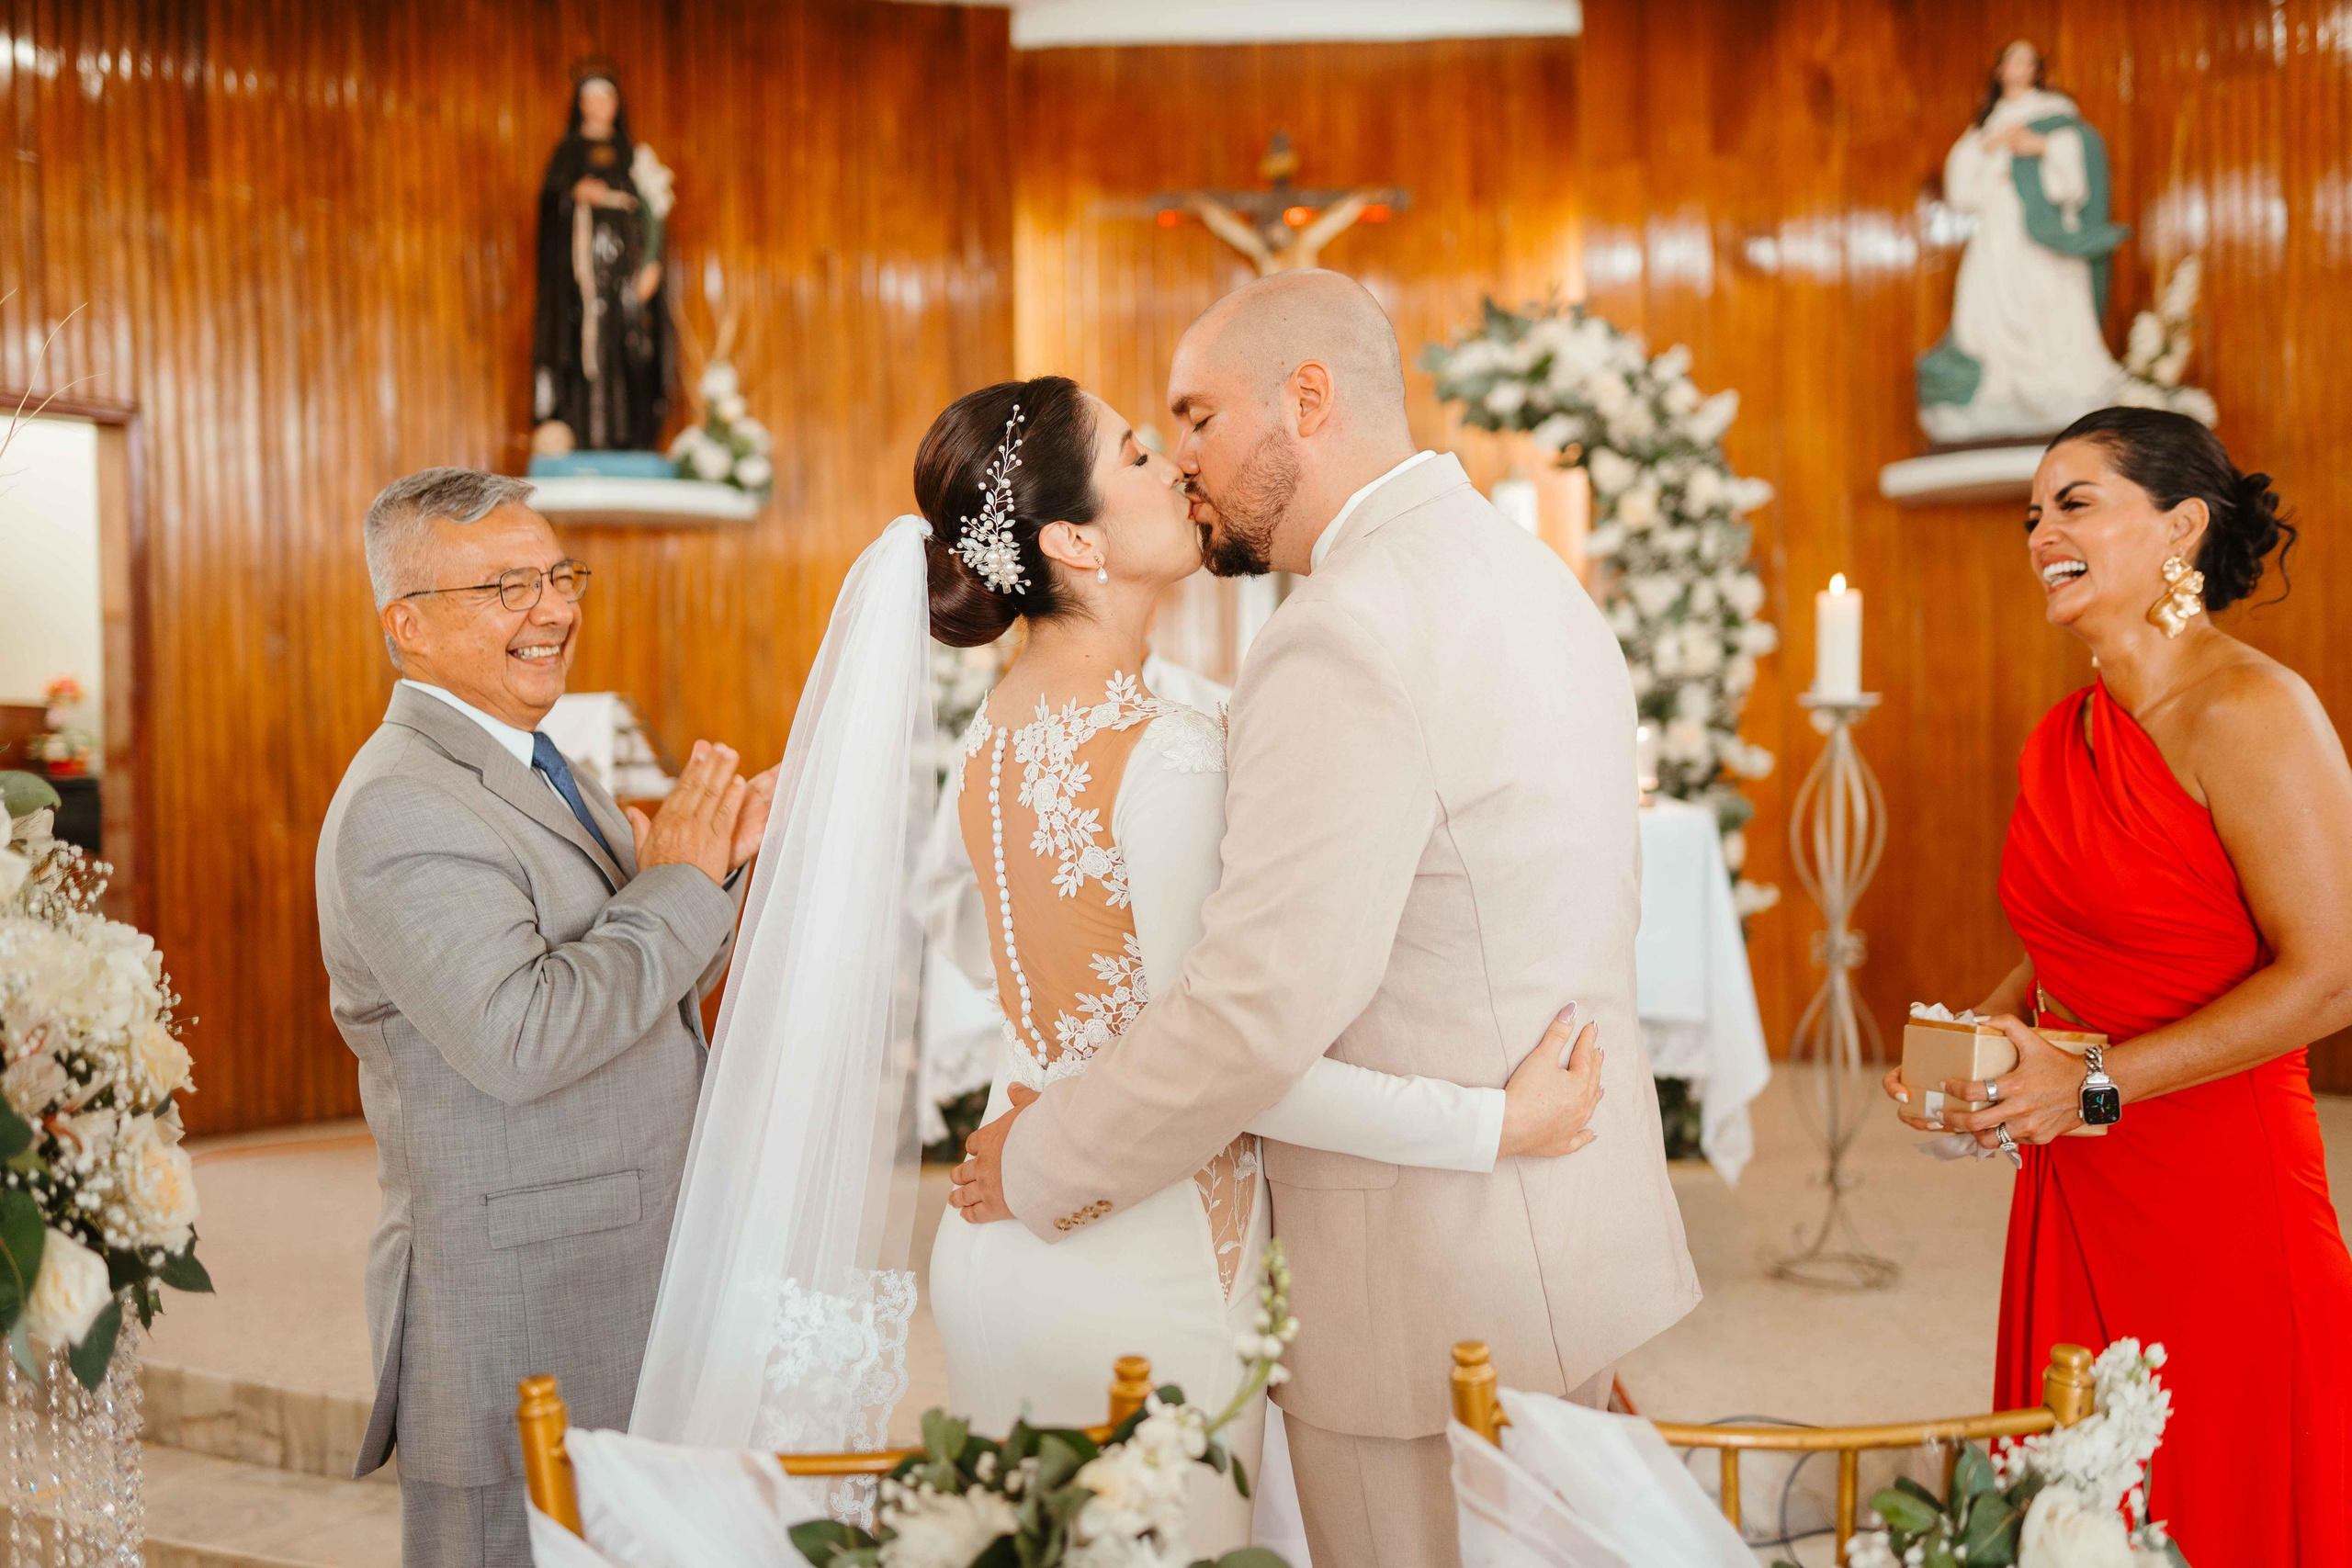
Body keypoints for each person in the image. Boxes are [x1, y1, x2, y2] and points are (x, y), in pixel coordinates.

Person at [953, 271, 1700, 1568]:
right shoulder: (1530, 573)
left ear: (1308, 399)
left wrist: (1037, 1158)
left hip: (1415, 1285)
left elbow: (1252, 1013)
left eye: (1194, 418)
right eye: (1156, 437)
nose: (1183, 462)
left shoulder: (1340, 629)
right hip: (1561, 1235)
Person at [1884, 407, 2352, 1564]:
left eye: (2075, 501)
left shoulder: (2251, 711)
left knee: (2219, 1489)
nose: (2040, 529)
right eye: (2032, 512)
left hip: (2220, 1189)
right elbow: (2073, 944)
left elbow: (2333, 978)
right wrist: (1982, 1052)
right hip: (2075, 1179)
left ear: (2180, 527)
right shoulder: (2064, 734)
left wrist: (2086, 1081)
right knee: (2072, 1490)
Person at [316, 468, 775, 1567]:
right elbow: (522, 1039)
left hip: (611, 1265)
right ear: (408, 626)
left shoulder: (532, 758)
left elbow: (640, 982)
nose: (556, 610)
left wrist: (721, 866)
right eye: (506, 587)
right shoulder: (402, 804)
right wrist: (675, 881)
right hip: (518, 1303)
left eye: (559, 576)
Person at [1917, 41, 2130, 443]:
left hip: (2041, 224)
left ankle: (2059, 384)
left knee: (2050, 294)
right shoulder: (1987, 123)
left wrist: (2042, 146)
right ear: (1999, 70)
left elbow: (2080, 157)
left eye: (2028, 61)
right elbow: (1962, 183)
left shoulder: (2054, 114)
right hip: (1999, 225)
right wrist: (1991, 144)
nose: (2020, 68)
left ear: (2036, 69)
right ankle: (2000, 384)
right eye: (2012, 60)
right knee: (1987, 300)